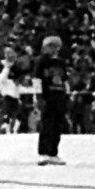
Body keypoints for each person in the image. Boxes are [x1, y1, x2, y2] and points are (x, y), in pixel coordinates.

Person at [32, 34, 68, 166]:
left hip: (59, 97)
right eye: (51, 46)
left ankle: (53, 153)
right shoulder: (41, 61)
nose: (54, 49)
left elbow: (65, 80)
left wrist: (66, 95)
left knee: (57, 126)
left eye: (56, 46)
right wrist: (39, 97)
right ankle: (43, 153)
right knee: (46, 125)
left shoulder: (60, 62)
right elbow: (36, 80)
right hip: (47, 97)